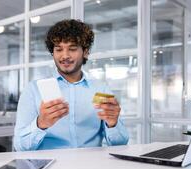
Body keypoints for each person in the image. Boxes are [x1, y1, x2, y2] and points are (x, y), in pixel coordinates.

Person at [14, 19, 129, 151]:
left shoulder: (100, 90)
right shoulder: (33, 90)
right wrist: (41, 124)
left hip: (91, 166)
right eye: (58, 49)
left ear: (85, 52)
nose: (65, 55)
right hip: (49, 167)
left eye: (72, 49)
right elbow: (20, 147)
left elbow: (120, 145)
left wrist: (113, 124)